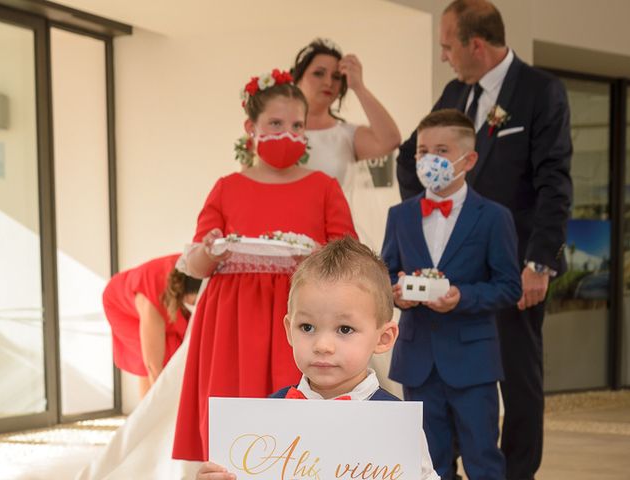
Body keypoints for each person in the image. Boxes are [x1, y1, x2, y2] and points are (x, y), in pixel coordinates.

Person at [395, 1, 572, 478]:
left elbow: (554, 180)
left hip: (513, 266)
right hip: (449, 266)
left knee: (518, 379)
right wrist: (424, 228)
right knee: (447, 374)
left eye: (448, 45)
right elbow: (410, 157)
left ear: (476, 44)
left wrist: (539, 261)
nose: (444, 57)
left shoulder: (541, 91)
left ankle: (514, 473)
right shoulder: (455, 90)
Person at [172, 68, 357, 462]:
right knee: (235, 415)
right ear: (250, 127)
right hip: (232, 319)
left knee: (298, 412)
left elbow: (348, 257)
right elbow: (198, 263)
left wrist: (314, 256)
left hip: (303, 315)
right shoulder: (227, 187)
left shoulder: (324, 187)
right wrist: (213, 251)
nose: (287, 134)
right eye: (275, 123)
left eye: (296, 125)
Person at [195, 236, 440, 480]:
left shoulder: (396, 424)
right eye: (307, 327)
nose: (322, 346)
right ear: (289, 330)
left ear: (383, 338)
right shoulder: (266, 416)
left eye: (345, 329)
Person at [383, 109, 522, 479]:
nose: (428, 160)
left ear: (468, 158)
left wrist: (463, 297)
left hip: (472, 359)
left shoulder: (493, 217)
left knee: (483, 460)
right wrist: (397, 294)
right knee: (428, 462)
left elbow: (510, 287)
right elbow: (385, 275)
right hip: (417, 359)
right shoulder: (400, 215)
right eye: (422, 151)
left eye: (441, 150)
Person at [291, 37, 401, 252]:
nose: (328, 83)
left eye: (336, 77)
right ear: (298, 77)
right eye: (318, 73)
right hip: (283, 229)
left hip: (329, 235)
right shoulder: (275, 131)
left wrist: (359, 86)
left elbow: (390, 139)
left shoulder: (346, 135)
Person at [102, 254, 202, 398]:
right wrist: (160, 403)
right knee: (158, 358)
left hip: (166, 295)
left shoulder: (195, 269)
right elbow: (153, 365)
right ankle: (146, 412)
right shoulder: (151, 303)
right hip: (122, 307)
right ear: (184, 296)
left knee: (183, 351)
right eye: (194, 302)